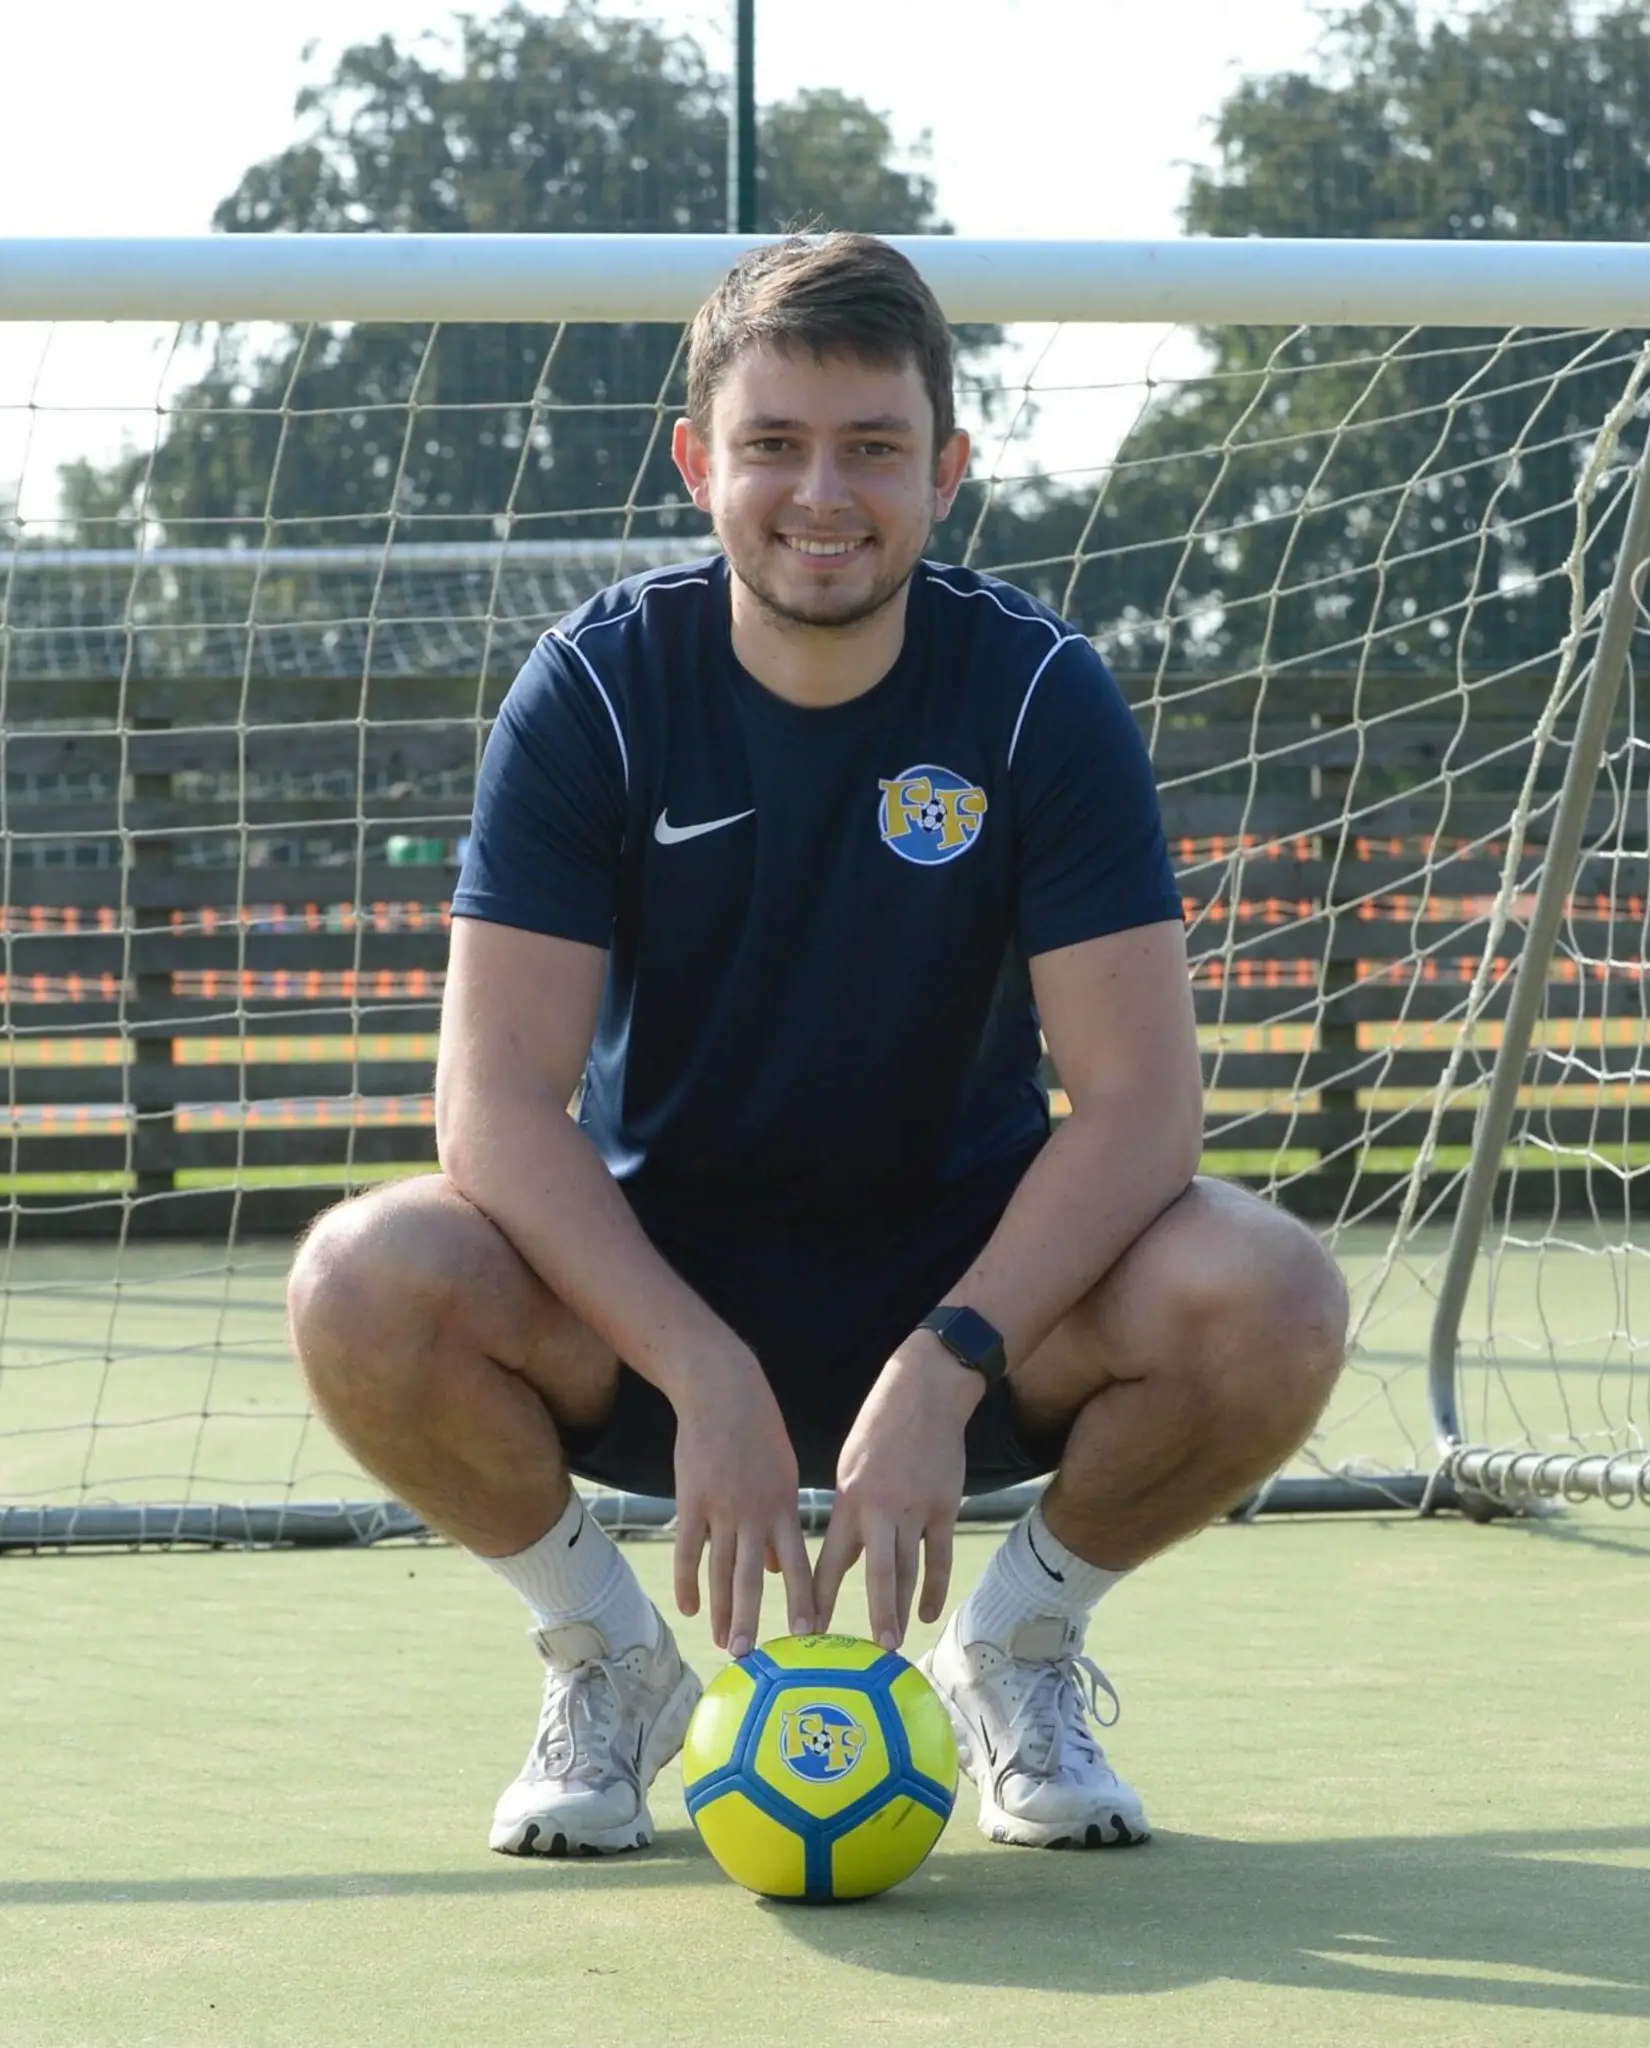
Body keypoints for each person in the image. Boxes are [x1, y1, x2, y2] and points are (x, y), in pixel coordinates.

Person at [286, 233, 1348, 1859]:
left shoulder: (1039, 695)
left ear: (948, 470)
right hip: (652, 1304)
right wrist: (701, 1367)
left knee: (1270, 1293)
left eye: (873, 447)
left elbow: (1140, 1106)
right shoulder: (598, 693)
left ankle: (1015, 1648)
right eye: (775, 443)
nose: (823, 495)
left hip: (979, 1298)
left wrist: (947, 1359)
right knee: (363, 1280)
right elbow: (493, 1104)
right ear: (698, 462)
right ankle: (607, 1659)